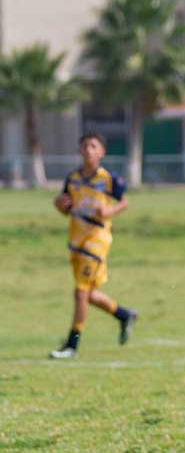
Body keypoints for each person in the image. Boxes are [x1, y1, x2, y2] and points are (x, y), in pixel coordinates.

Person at [50, 132, 138, 359]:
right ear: (80, 150)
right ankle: (124, 315)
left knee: (80, 292)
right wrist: (59, 205)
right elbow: (65, 207)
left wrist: (110, 211)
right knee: (88, 295)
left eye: (93, 146)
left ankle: (72, 345)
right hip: (76, 241)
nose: (88, 150)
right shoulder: (72, 179)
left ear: (102, 152)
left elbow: (125, 202)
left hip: (97, 242)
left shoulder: (108, 179)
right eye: (85, 146)